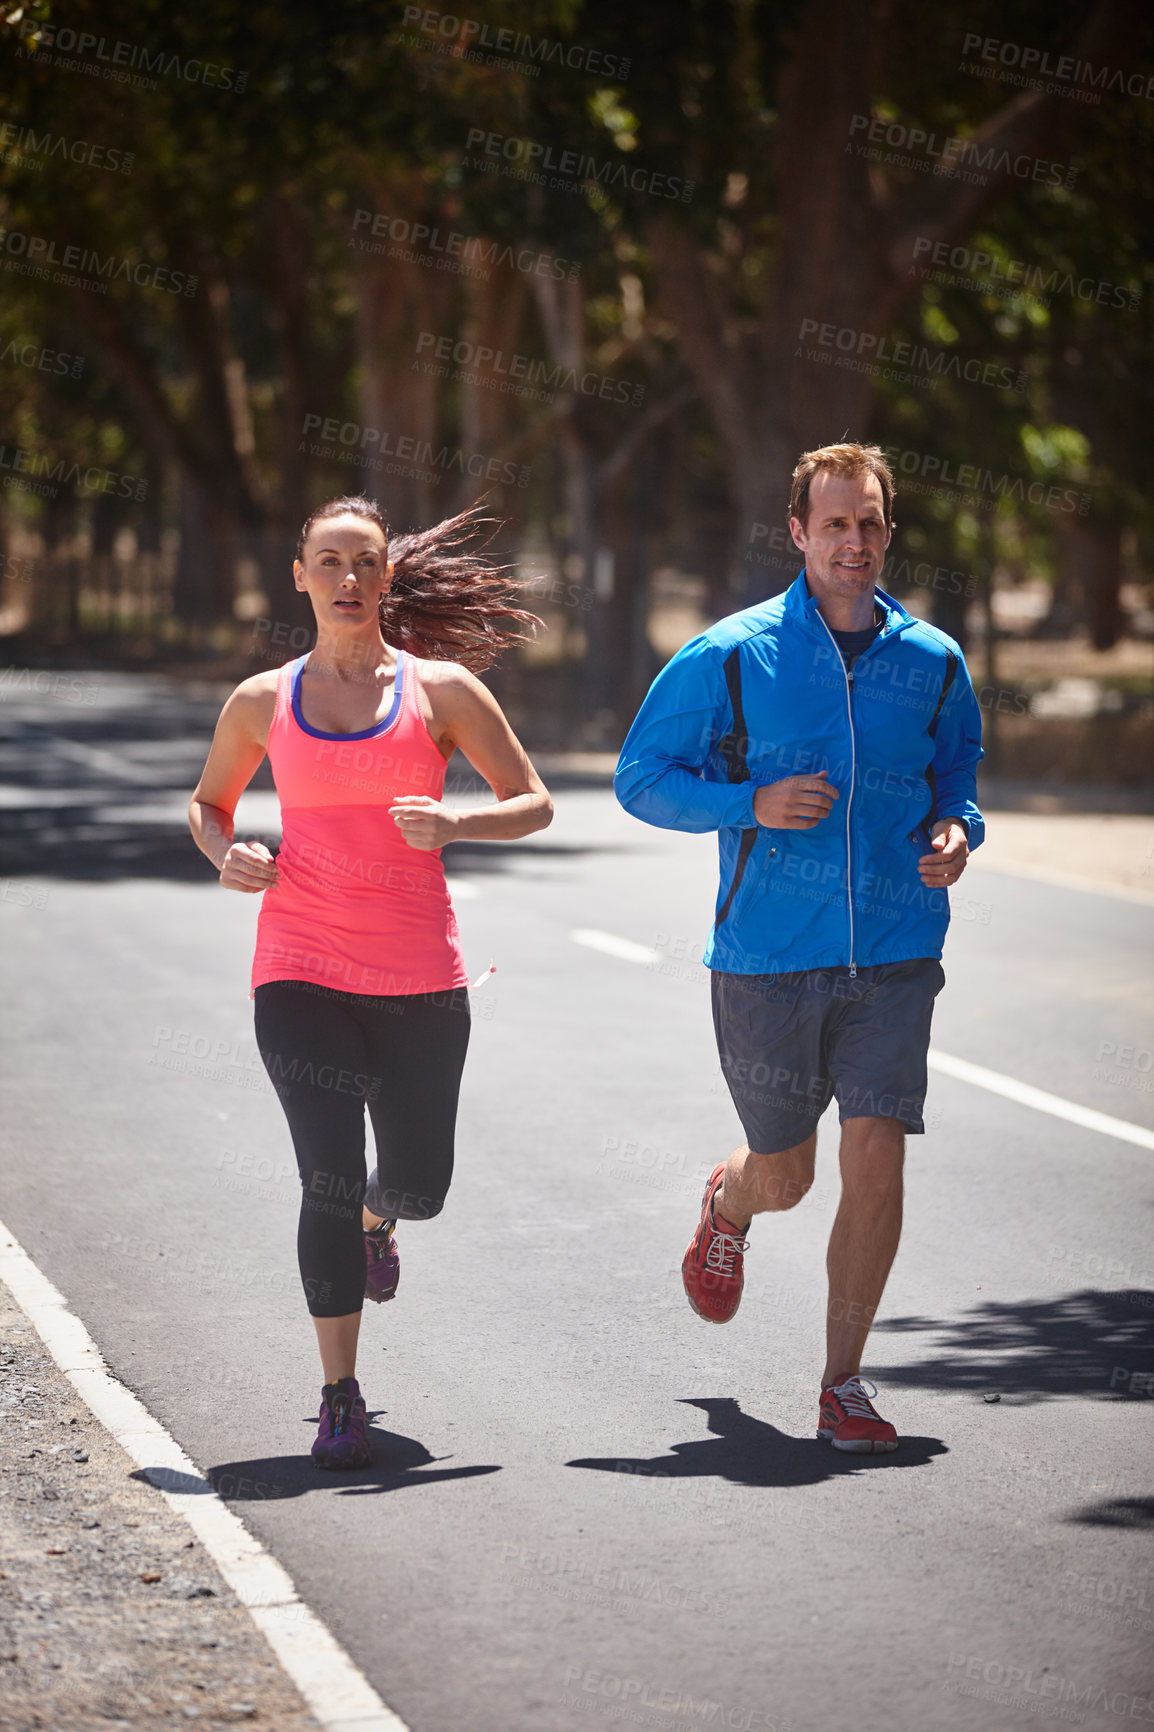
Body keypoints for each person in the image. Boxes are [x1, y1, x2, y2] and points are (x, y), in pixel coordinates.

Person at [615, 442, 983, 1453]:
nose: (852, 542)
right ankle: (727, 1203)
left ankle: (841, 1382)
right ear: (795, 532)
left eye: (868, 524)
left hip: (896, 957)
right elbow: (640, 776)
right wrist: (749, 802)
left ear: (886, 531)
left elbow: (955, 774)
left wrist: (957, 833)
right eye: (833, 524)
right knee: (787, 1175)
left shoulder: (931, 661)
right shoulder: (730, 656)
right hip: (768, 959)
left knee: (874, 1149)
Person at [189, 496, 552, 1469]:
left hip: (418, 977)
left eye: (365, 563)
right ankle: (338, 1392)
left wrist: (456, 824)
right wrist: (229, 853)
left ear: (388, 578)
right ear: (299, 577)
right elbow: (208, 803)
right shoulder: (262, 700)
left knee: (419, 1183)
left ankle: (380, 1221)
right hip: (298, 968)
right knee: (326, 1172)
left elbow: (532, 801)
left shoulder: (440, 691)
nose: (347, 578)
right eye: (328, 561)